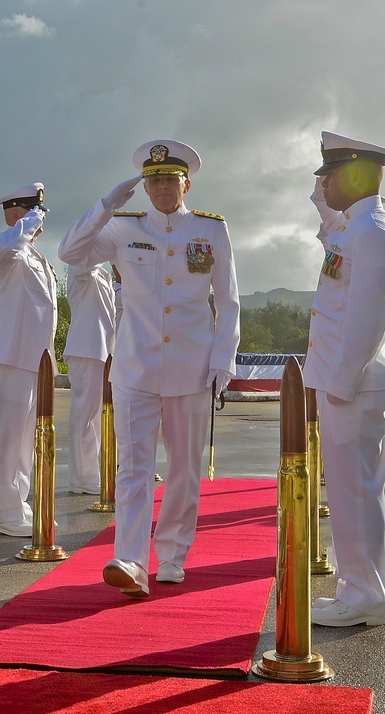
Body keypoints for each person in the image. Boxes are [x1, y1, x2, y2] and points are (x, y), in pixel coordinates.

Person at [58, 140, 240, 597]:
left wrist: (223, 360)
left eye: (170, 179)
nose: (162, 186)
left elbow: (230, 301)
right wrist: (106, 205)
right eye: (153, 179)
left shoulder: (211, 231)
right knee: (133, 467)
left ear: (186, 183)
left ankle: (173, 554)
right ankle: (132, 558)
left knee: (183, 468)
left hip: (191, 368)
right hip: (135, 367)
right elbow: (71, 252)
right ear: (144, 186)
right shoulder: (122, 229)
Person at [302, 131, 385, 627]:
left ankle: (365, 595)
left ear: (356, 175)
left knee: (356, 493)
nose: (322, 182)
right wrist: (325, 211)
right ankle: (357, 586)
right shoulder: (355, 228)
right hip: (349, 378)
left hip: (354, 380)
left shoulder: (373, 232)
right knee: (351, 490)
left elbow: (368, 317)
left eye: (330, 174)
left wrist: (339, 380)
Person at [0, 183, 57, 536]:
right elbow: (11, 247)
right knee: (6, 437)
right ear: (17, 214)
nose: (41, 221)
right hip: (9, 353)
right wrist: (25, 225)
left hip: (33, 357)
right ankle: (3, 512)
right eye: (34, 213)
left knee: (25, 440)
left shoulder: (36, 255)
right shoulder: (3, 245)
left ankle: (18, 506)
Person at [63, 262, 116, 495]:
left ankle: (89, 473)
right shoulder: (80, 268)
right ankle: (82, 477)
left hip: (101, 351)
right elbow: (83, 263)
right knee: (85, 415)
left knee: (94, 417)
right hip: (86, 349)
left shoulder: (103, 275)